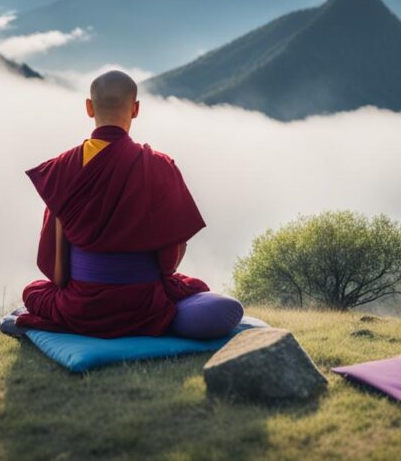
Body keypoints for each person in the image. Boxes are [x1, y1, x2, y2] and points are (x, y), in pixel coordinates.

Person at [12, 70, 243, 339]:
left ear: (89, 107)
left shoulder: (62, 168)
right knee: (192, 287)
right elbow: (168, 264)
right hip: (145, 306)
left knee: (33, 291)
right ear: (135, 109)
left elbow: (58, 274)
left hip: (80, 309)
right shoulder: (158, 165)